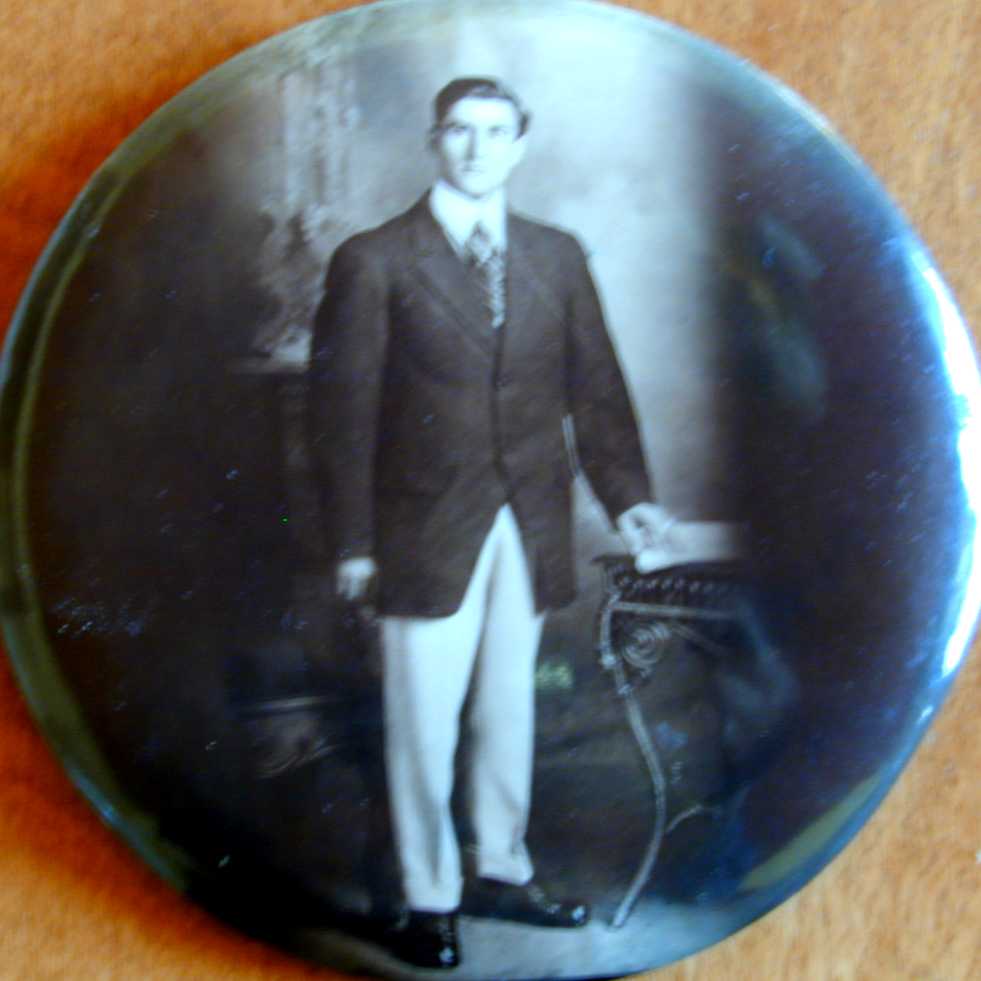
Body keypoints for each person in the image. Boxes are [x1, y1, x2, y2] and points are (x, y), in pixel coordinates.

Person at [308, 77, 672, 969]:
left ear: (519, 143)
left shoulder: (557, 254)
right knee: (422, 722)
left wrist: (628, 497)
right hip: (419, 527)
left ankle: (501, 870)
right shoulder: (374, 259)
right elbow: (340, 418)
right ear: (433, 142)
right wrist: (352, 542)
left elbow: (596, 391)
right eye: (459, 130)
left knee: (509, 708)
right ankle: (427, 896)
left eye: (495, 131)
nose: (476, 148)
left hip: (532, 519)